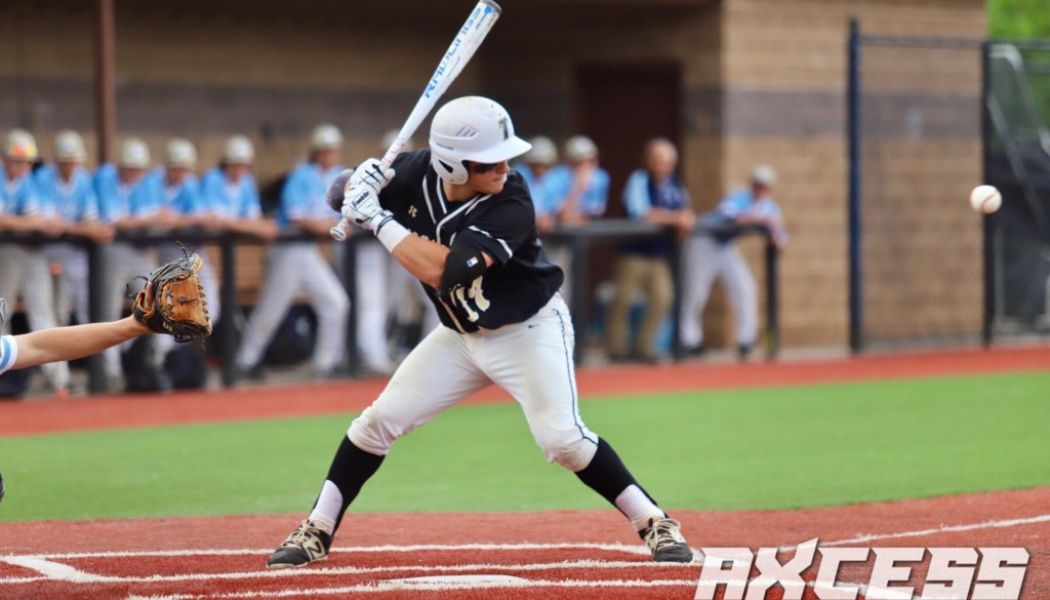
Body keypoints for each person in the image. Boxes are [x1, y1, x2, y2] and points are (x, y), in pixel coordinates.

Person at [265, 96, 692, 569]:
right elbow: (338, 194)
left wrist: (380, 220)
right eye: (490, 160)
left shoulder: (512, 199)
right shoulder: (410, 173)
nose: (504, 165)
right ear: (451, 164)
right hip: (459, 337)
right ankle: (317, 529)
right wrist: (353, 182)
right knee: (375, 423)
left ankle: (654, 521)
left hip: (527, 331)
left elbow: (444, 273)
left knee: (563, 441)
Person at [234, 128, 349, 379]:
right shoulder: (300, 176)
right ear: (316, 152)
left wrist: (332, 225)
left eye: (332, 150)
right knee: (271, 309)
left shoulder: (337, 176)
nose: (329, 155)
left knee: (336, 303)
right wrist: (328, 226)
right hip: (288, 249)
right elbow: (299, 218)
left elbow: (343, 216)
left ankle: (325, 363)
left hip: (307, 252)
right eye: (324, 150)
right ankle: (245, 361)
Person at [679, 165, 786, 360]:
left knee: (746, 288)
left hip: (725, 247)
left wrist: (775, 237)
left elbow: (779, 235)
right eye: (757, 185)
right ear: (751, 184)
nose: (760, 189)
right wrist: (760, 220)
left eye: (764, 186)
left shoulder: (770, 206)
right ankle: (689, 340)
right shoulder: (740, 197)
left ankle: (746, 340)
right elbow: (729, 216)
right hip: (704, 241)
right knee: (696, 292)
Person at [607, 138, 695, 363]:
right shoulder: (639, 179)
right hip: (633, 252)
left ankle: (644, 348)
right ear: (648, 161)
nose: (661, 166)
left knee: (663, 298)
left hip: (658, 254)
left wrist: (683, 220)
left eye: (665, 161)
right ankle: (617, 350)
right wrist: (676, 218)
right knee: (623, 300)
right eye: (656, 160)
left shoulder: (675, 184)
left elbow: (686, 211)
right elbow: (642, 212)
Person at [94, 137, 173, 385]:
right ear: (120, 166)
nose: (134, 173)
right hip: (108, 251)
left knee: (160, 303)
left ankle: (153, 366)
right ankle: (110, 372)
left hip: (138, 252)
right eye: (130, 167)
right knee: (106, 312)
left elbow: (156, 220)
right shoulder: (105, 177)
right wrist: (145, 220)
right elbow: (112, 221)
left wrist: (144, 222)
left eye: (138, 168)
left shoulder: (145, 183)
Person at [0, 128, 70, 393]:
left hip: (31, 254)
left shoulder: (30, 181)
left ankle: (59, 381)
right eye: (17, 160)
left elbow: (47, 222)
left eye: (27, 161)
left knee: (44, 314)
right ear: (4, 159)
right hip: (3, 255)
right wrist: (28, 223)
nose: (23, 166)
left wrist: (30, 223)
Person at [36, 130, 113, 327]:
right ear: (57, 161)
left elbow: (93, 223)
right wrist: (81, 228)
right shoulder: (43, 177)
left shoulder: (83, 179)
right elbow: (50, 225)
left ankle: (88, 356)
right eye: (65, 161)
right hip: (44, 252)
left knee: (86, 308)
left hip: (74, 254)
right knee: (53, 312)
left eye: (73, 161)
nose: (70, 166)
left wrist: (71, 227)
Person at [514, 135, 560, 233]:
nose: (539, 168)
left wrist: (551, 218)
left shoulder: (556, 178)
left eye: (544, 164)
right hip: (521, 230)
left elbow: (558, 207)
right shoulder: (518, 175)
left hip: (550, 232)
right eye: (535, 164)